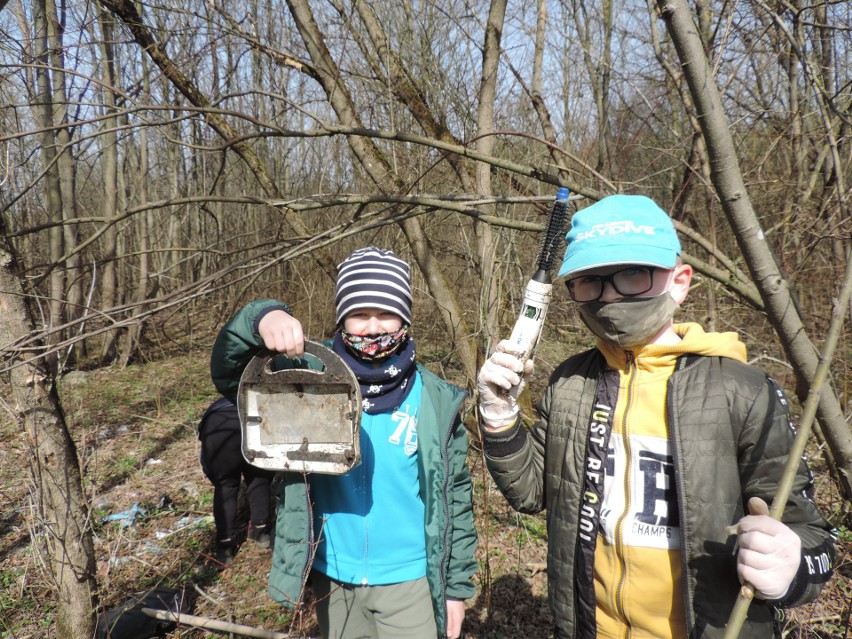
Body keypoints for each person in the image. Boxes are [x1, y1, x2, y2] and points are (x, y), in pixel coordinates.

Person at [476, 195, 836, 638]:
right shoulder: (569, 383)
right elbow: (532, 492)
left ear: (679, 282)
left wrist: (793, 566)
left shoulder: (742, 392)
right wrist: (499, 414)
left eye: (632, 275)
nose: (609, 297)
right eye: (590, 281)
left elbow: (814, 536)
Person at [209, 247, 477, 639]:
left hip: (411, 581)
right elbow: (232, 376)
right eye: (359, 314)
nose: (372, 327)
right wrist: (262, 316)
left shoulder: (434, 398)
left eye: (386, 313)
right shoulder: (308, 379)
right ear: (341, 318)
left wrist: (455, 588)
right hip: (333, 578)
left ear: (404, 316)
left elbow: (455, 496)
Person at [198, 396, 274, 565]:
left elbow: (208, 467)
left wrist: (222, 479)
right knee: (259, 478)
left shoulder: (216, 407)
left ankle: (225, 546)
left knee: (225, 486)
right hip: (257, 421)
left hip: (218, 427)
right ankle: (260, 532)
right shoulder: (262, 400)